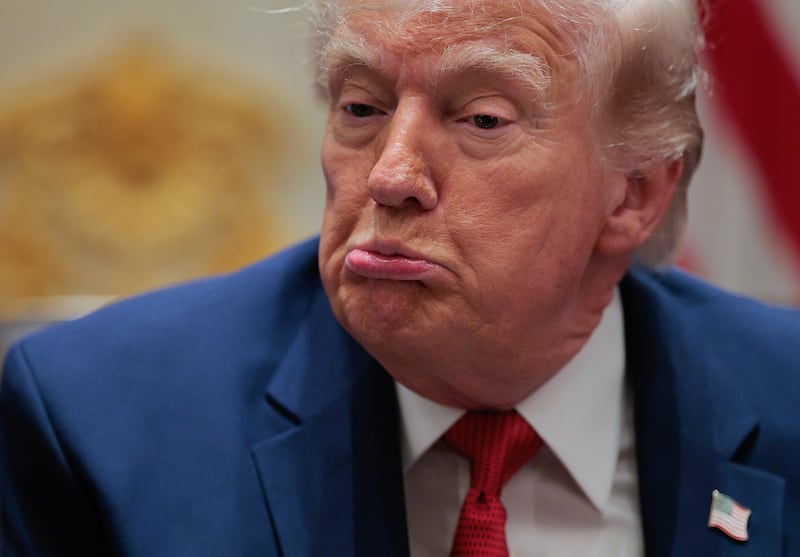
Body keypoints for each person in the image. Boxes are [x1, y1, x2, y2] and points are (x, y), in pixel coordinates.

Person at [2, 0, 799, 555]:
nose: (389, 175)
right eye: (360, 107)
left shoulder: (784, 396)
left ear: (635, 194)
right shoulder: (96, 424)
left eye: (482, 118)